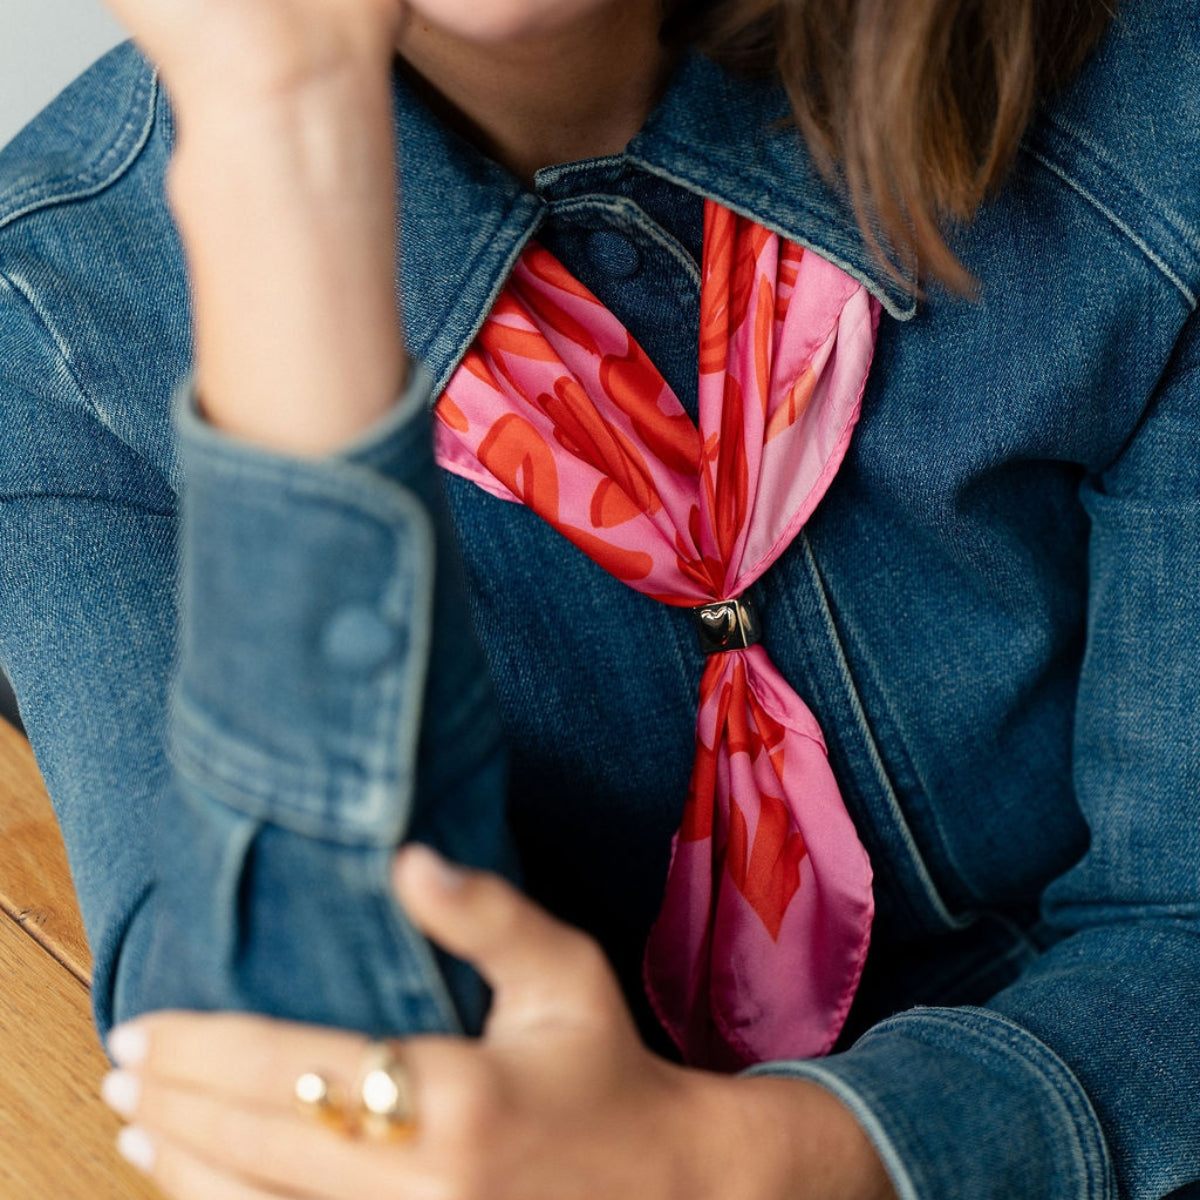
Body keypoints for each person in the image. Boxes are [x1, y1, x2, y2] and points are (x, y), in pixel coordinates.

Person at [0, 0, 1197, 1196]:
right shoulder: (49, 324)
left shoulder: (1146, 73)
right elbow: (307, 1108)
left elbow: (1182, 932)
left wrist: (754, 1166)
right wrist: (288, 156)